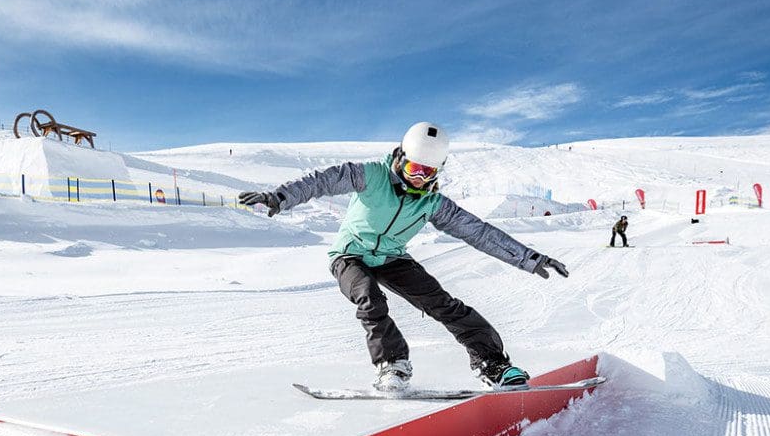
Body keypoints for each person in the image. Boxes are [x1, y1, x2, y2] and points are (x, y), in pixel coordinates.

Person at [238, 122, 568, 392]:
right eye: (412, 168)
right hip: (349, 255)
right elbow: (321, 181)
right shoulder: (370, 174)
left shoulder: (433, 203)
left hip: (393, 257)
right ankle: (392, 364)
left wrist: (530, 259)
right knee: (369, 298)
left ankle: (493, 364)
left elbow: (478, 232)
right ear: (400, 157)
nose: (417, 178)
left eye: (427, 173)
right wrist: (279, 197)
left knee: (445, 305)